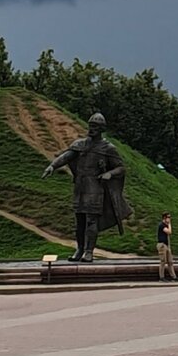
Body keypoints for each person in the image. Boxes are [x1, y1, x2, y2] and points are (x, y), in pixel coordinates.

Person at [41, 112, 131, 262]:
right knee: (80, 222)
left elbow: (121, 168)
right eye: (90, 126)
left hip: (95, 189)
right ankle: (80, 249)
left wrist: (109, 174)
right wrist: (52, 166)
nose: (91, 129)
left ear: (102, 129)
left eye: (95, 126)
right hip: (80, 188)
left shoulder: (108, 148)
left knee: (91, 221)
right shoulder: (80, 144)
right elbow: (66, 156)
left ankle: (89, 251)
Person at [157, 212, 178, 281]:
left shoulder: (165, 225)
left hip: (166, 245)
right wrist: (169, 224)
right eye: (168, 217)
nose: (169, 219)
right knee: (163, 261)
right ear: (164, 218)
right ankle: (161, 277)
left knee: (170, 261)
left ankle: (173, 276)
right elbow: (169, 232)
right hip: (162, 245)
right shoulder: (162, 225)